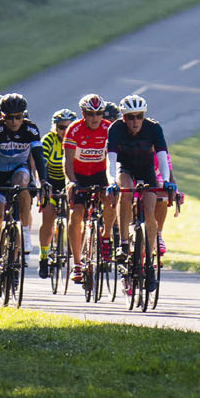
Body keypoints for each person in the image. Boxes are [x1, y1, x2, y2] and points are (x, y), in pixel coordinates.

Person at [106, 94, 180, 263]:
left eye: (139, 116)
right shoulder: (115, 129)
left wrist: (167, 180)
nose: (135, 121)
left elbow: (162, 156)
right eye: (131, 117)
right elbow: (110, 160)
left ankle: (148, 258)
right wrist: (111, 181)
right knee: (125, 191)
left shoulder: (153, 128)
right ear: (123, 117)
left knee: (149, 209)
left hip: (146, 169)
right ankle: (123, 243)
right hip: (124, 167)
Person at [0, 92, 40, 300]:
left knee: (22, 182)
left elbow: (38, 157)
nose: (14, 121)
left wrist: (43, 182)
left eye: (18, 117)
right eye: (10, 117)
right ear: (2, 116)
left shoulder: (31, 128)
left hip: (19, 171)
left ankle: (24, 233)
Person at [63, 92, 114, 283]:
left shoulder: (109, 129)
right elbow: (67, 161)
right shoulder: (74, 130)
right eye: (90, 114)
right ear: (83, 114)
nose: (94, 118)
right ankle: (77, 263)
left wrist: (112, 183)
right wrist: (72, 182)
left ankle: (106, 237)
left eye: (98, 113)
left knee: (110, 200)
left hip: (101, 173)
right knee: (76, 214)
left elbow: (113, 158)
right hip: (80, 175)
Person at [37, 108, 74, 277]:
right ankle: (43, 257)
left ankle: (76, 258)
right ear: (54, 128)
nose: (65, 131)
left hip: (70, 180)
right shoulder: (49, 140)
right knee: (48, 217)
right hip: (51, 181)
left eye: (69, 126)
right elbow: (42, 165)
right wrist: (44, 185)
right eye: (61, 127)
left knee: (75, 217)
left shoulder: (76, 139)